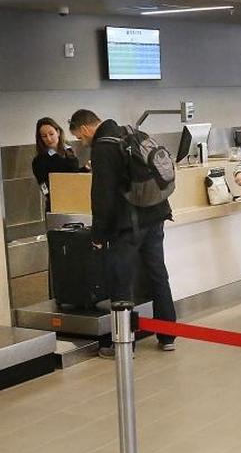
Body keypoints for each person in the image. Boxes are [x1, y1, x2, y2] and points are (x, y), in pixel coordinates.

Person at [67, 109, 176, 356]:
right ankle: (168, 336)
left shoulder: (103, 146)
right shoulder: (132, 132)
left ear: (85, 129)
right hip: (156, 216)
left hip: (129, 225)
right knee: (158, 274)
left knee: (121, 283)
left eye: (80, 137)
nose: (83, 142)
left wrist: (98, 236)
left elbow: (102, 197)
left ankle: (124, 345)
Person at [31, 117, 88, 207]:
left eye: (51, 134)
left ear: (58, 132)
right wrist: (50, 197)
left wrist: (86, 168)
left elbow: (74, 175)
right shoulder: (39, 160)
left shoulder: (69, 150)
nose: (49, 139)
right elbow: (43, 185)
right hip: (57, 203)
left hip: (76, 198)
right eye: (44, 136)